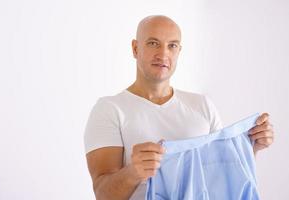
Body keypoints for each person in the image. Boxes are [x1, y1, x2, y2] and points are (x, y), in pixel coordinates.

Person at [84, 15, 274, 200]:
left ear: (178, 51)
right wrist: (133, 172)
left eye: (172, 45)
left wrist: (252, 147)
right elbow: (102, 194)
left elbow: (221, 175)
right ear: (135, 48)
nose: (163, 54)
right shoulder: (109, 109)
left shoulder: (203, 106)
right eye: (153, 43)